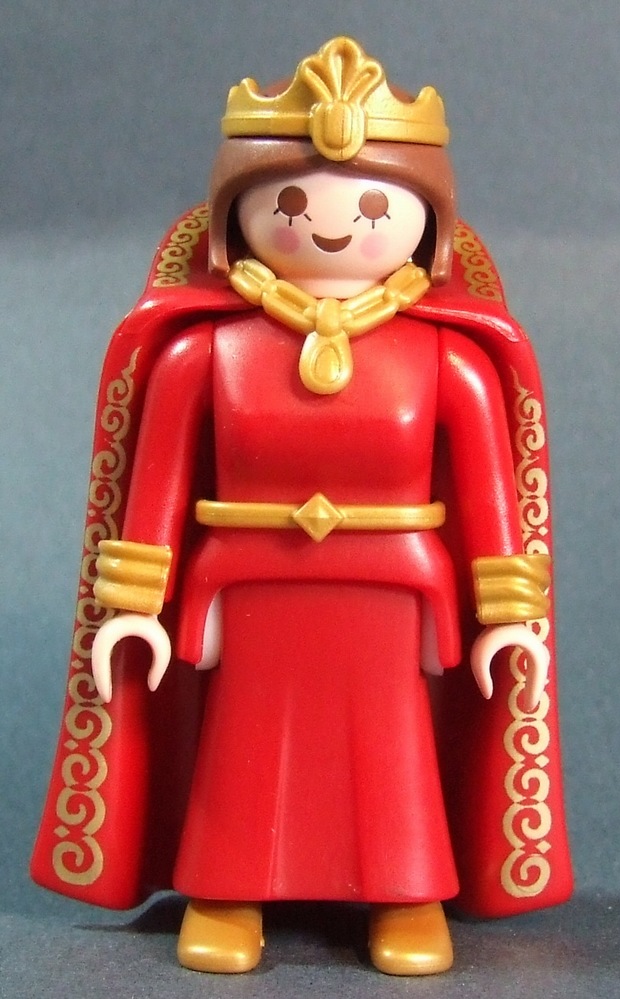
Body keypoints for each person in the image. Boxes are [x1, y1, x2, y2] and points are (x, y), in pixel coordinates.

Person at [32, 37, 572, 976]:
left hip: (393, 593)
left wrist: (507, 617)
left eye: (374, 207)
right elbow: (152, 489)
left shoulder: (450, 362)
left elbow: (493, 500)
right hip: (245, 587)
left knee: (390, 743)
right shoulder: (201, 354)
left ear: (427, 222)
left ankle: (405, 891)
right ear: (234, 215)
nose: (330, 226)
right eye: (288, 203)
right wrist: (134, 604)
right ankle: (227, 886)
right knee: (243, 737)